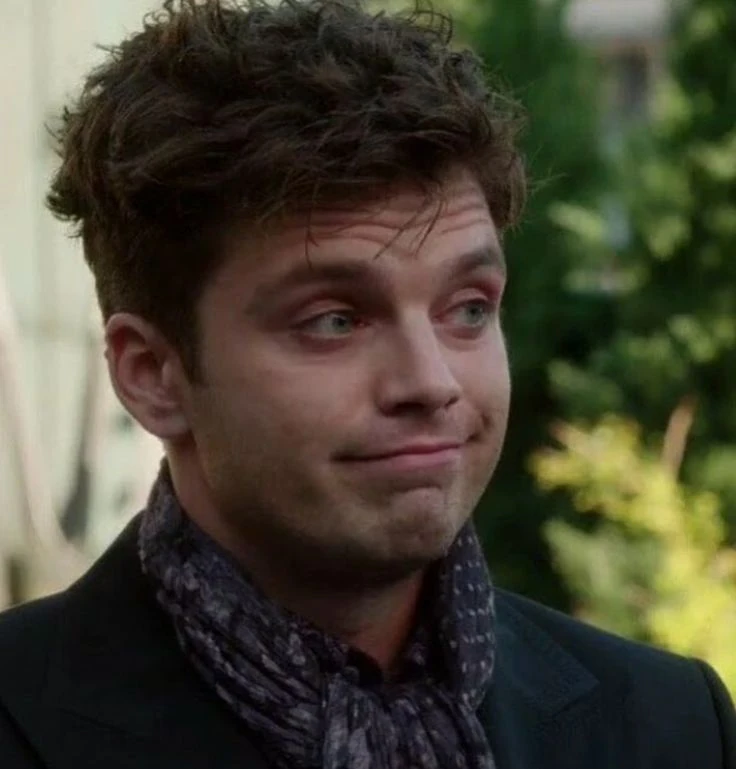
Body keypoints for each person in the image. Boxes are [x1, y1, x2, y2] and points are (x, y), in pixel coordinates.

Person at [0, 0, 734, 766]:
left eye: (468, 308)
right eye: (335, 320)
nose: (431, 381)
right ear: (152, 374)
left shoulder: (670, 723)